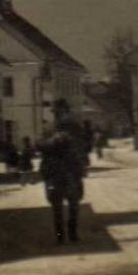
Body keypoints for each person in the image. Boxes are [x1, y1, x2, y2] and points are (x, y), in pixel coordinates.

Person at [39, 102, 87, 244]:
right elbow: (40, 146)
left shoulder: (71, 128)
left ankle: (67, 235)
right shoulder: (51, 128)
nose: (59, 115)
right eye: (57, 112)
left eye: (60, 112)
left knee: (67, 206)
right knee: (63, 206)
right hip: (61, 173)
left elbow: (83, 146)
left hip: (65, 173)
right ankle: (66, 235)